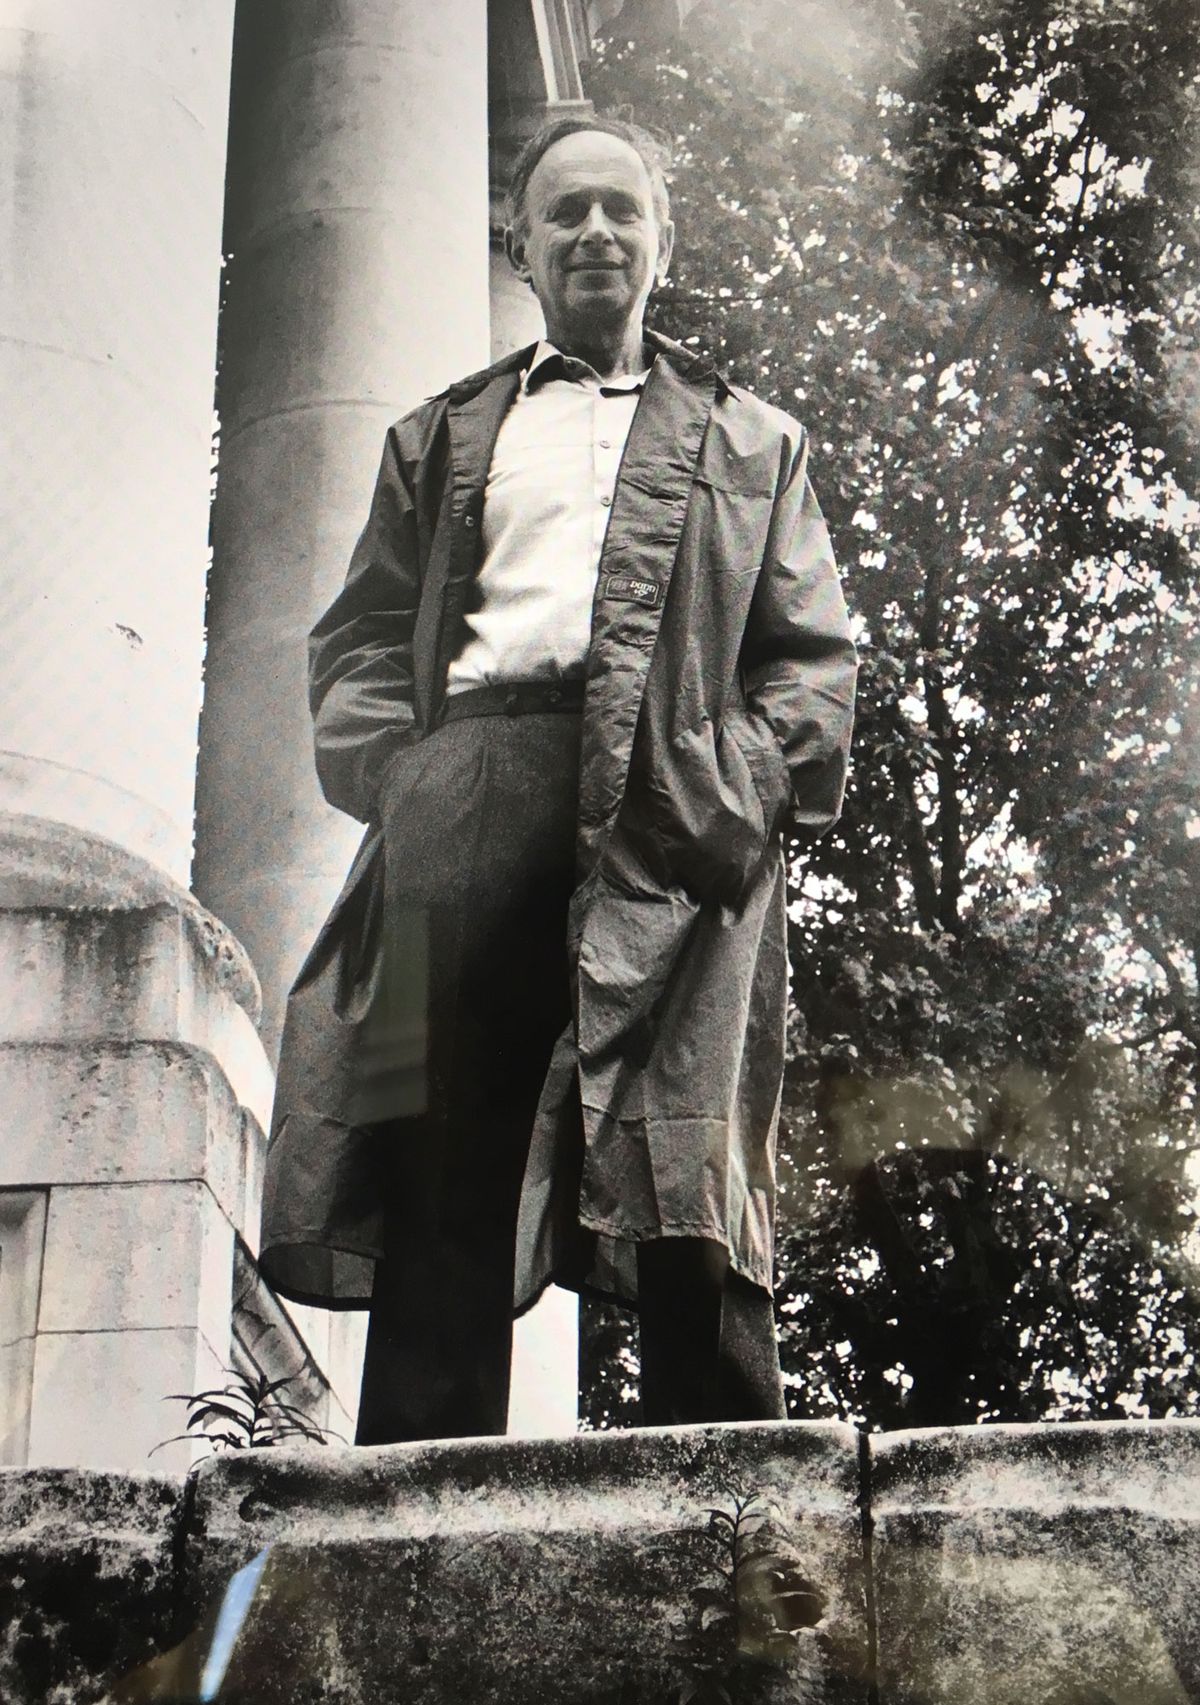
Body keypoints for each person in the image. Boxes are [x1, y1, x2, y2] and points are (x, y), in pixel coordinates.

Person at [258, 114, 858, 1442]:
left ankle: (724, 1491)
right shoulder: (437, 437)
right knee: (430, 1136)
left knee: (689, 1151)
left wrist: (734, 790)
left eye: (621, 210)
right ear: (518, 247)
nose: (596, 232)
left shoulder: (757, 442)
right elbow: (361, 638)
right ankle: (413, 1507)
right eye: (565, 212)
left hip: (676, 802)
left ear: (663, 243)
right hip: (459, 794)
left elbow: (811, 666)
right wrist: (407, 778)